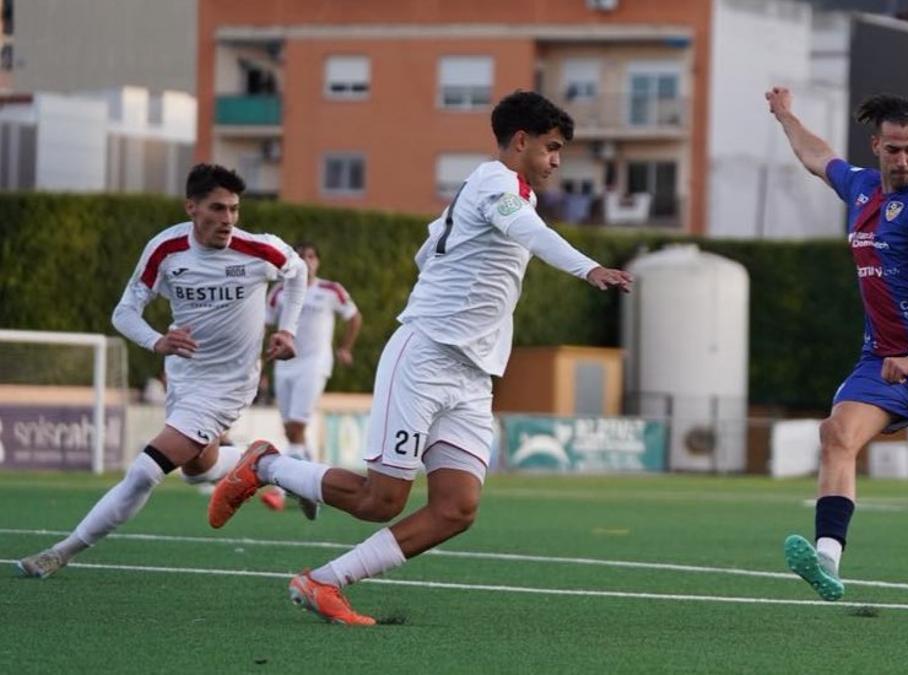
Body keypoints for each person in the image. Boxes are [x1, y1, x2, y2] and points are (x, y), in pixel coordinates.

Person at [206, 90, 633, 625]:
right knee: (380, 500)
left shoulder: (503, 193)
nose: (556, 160)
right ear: (520, 141)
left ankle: (323, 582)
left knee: (457, 508)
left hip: (474, 376)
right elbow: (526, 232)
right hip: (427, 356)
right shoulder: (496, 182)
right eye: (551, 147)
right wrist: (589, 268)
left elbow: (428, 249)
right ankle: (263, 464)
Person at [16, 163, 306, 578]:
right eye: (217, 209)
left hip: (228, 384)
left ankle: (61, 552)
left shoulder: (259, 250)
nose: (228, 220)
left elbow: (298, 273)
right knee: (197, 471)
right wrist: (157, 341)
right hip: (184, 378)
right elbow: (124, 312)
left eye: (234, 210)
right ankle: (264, 463)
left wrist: (289, 330)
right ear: (192, 207)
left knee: (143, 471)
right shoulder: (165, 251)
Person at [765, 88, 908, 601]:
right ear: (876, 147)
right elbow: (817, 156)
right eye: (893, 149)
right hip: (882, 359)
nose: (904, 159)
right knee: (837, 434)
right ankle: (827, 558)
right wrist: (784, 115)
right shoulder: (863, 189)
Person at [259, 242, 362, 519]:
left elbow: (354, 318)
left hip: (314, 365)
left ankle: (279, 493)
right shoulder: (280, 291)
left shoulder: (331, 290)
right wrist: (259, 362)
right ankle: (314, 487)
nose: (307, 260)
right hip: (285, 365)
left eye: (311, 256)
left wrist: (345, 348)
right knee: (292, 431)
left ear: (318, 261)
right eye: (301, 256)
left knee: (295, 427)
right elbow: (264, 325)